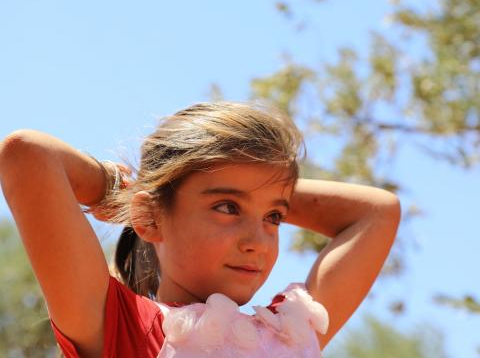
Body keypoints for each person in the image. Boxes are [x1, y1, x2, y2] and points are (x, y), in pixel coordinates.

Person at [0, 101, 401, 357]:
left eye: (274, 217)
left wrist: (260, 188)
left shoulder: (291, 333)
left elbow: (378, 212)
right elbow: (28, 154)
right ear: (150, 219)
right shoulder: (124, 330)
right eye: (227, 207)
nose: (256, 242)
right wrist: (116, 188)